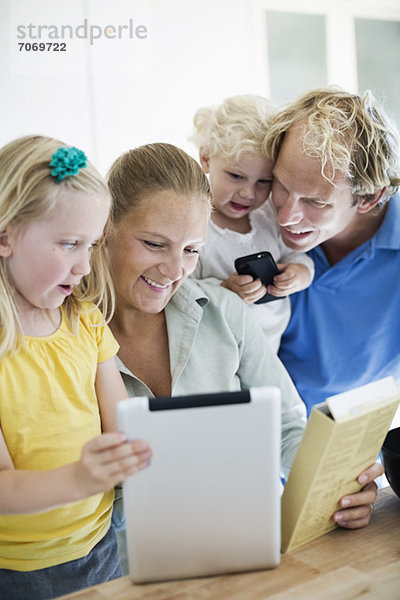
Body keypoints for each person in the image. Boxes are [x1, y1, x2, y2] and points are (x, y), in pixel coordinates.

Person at [105, 142, 380, 573]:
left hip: (240, 551)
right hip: (118, 570)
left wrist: (338, 490)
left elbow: (289, 428)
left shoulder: (225, 311)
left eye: (192, 250)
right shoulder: (65, 334)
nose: (175, 270)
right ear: (105, 227)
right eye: (155, 244)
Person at [0, 136, 152, 600]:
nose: (85, 266)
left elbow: (126, 425)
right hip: (16, 571)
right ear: (5, 234)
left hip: (99, 546)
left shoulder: (84, 320)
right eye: (68, 244)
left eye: (91, 245)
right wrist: (81, 479)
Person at [262, 87, 400, 418]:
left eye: (315, 201)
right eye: (281, 185)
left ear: (368, 198)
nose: (285, 217)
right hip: (256, 434)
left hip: (347, 446)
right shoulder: (254, 214)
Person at [191, 95, 314, 352]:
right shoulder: (194, 224)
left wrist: (300, 274)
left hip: (270, 350)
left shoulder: (269, 215)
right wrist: (224, 289)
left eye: (264, 181)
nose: (248, 193)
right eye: (236, 176)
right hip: (217, 347)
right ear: (206, 158)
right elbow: (183, 289)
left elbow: (297, 255)